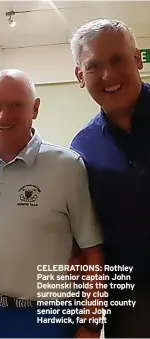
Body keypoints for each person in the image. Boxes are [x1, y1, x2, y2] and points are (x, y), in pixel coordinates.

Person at [0, 69, 104, 338]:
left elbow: (93, 253)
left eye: (15, 106)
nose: (3, 115)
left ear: (35, 109)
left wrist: (91, 325)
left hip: (49, 318)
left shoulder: (67, 166)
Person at [70, 19, 150, 338]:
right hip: (129, 303)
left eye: (117, 60)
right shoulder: (82, 149)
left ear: (138, 59)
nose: (108, 75)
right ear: (80, 76)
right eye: (94, 66)